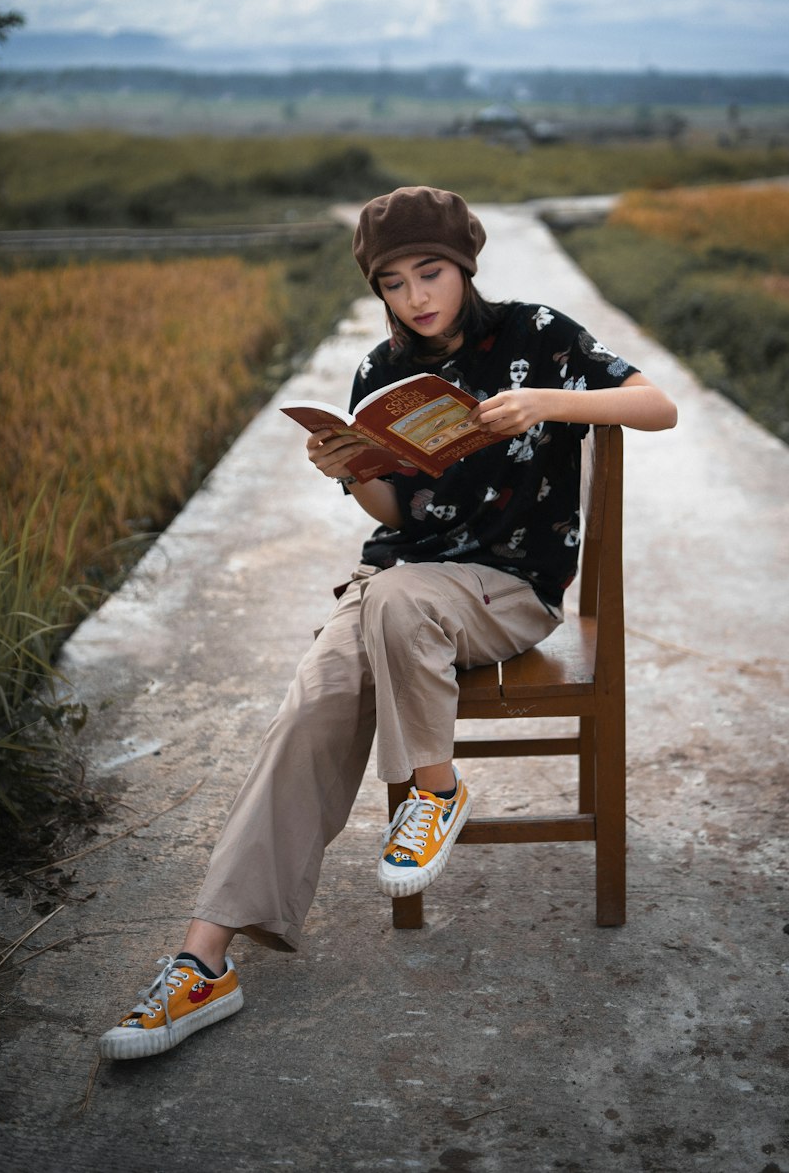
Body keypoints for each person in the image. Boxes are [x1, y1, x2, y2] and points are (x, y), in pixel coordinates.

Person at [99, 185, 677, 1060]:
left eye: (431, 272)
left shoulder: (539, 336)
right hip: (401, 581)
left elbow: (658, 404)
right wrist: (350, 466)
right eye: (395, 282)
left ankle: (435, 792)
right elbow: (399, 517)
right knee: (313, 705)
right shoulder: (383, 371)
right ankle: (202, 958)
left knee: (401, 597)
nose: (416, 296)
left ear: (465, 265)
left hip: (506, 588)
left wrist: (546, 405)